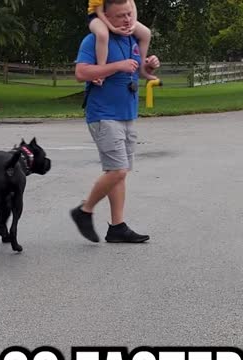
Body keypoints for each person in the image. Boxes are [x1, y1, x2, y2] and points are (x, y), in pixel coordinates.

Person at [71, 0, 161, 243]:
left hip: (127, 112)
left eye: (129, 14)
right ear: (106, 17)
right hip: (103, 114)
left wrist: (149, 64)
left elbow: (138, 68)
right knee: (118, 169)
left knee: (119, 172)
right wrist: (115, 66)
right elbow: (81, 73)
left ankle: (117, 227)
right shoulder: (93, 40)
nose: (127, 20)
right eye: (120, 16)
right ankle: (84, 211)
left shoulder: (131, 39)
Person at [87, 0, 157, 85]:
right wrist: (113, 29)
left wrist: (133, 24)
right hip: (97, 16)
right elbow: (100, 12)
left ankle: (142, 68)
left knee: (146, 33)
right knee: (103, 34)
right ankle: (100, 71)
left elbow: (132, 6)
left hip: (119, 13)